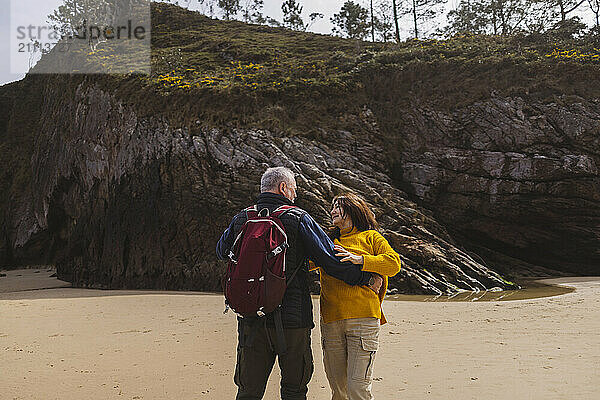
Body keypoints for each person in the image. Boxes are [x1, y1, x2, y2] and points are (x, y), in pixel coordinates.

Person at [216, 167, 381, 400]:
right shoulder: (298, 217)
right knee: (294, 390)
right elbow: (331, 260)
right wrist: (365, 278)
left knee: (248, 392)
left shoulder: (242, 218)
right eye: (294, 189)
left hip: (250, 318)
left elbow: (222, 251)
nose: (295, 195)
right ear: (283, 188)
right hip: (292, 320)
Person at [314, 193, 401, 400]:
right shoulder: (327, 242)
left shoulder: (371, 237)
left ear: (353, 209)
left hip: (364, 320)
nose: (332, 211)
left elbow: (393, 264)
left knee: (357, 390)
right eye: (332, 207)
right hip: (331, 320)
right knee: (339, 391)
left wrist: (360, 259)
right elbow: (306, 264)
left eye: (338, 207)